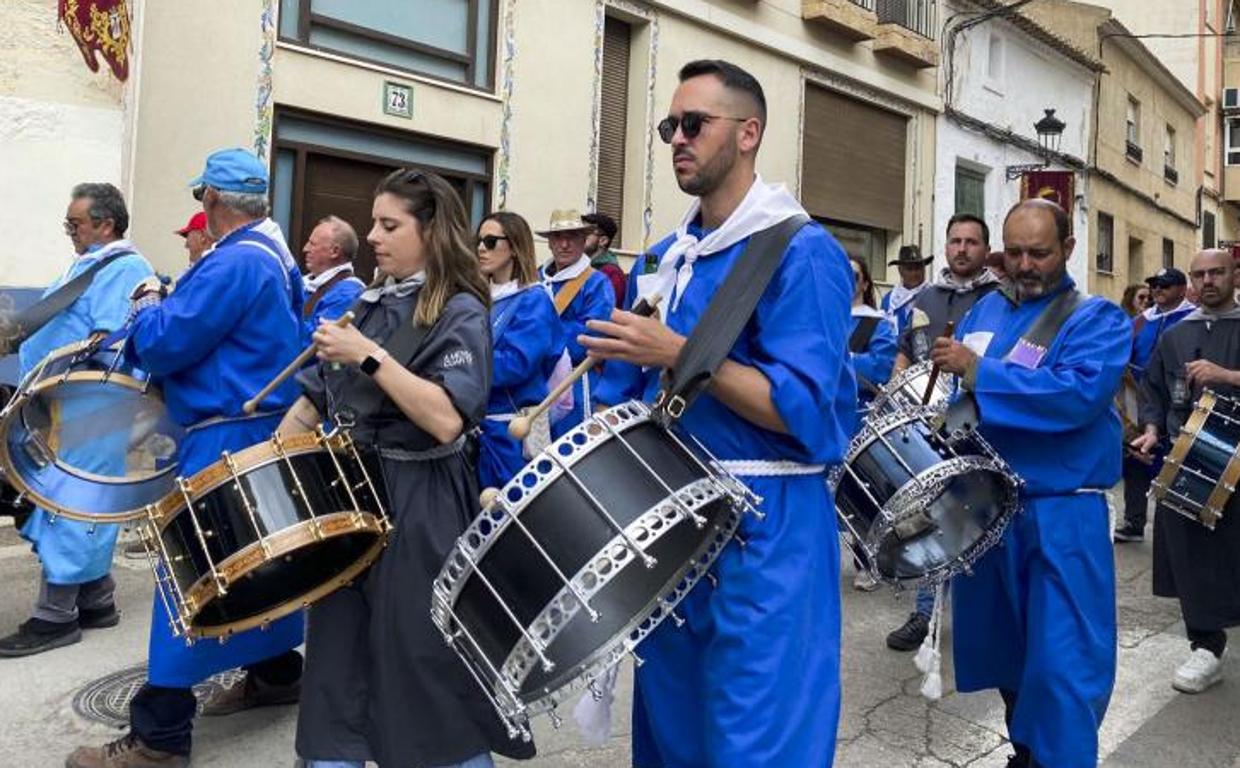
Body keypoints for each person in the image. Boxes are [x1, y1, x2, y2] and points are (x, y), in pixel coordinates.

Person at [584, 58, 855, 768]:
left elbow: (800, 410)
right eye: (671, 124)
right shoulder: (673, 254)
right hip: (675, 526)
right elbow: (638, 394)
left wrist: (677, 351)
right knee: (672, 735)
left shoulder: (803, 252)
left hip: (765, 527)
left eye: (695, 124)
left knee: (758, 737)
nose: (677, 137)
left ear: (748, 134)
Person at [281, 169, 535, 768]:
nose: (373, 236)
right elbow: (312, 399)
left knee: (421, 664)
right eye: (373, 223)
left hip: (419, 500)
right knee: (338, 660)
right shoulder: (370, 303)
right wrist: (275, 460)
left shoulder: (461, 310)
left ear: (431, 231)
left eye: (390, 225)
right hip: (351, 498)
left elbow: (446, 418)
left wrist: (368, 357)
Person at [66, 149, 306, 768]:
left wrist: (147, 304)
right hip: (256, 431)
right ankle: (277, 674)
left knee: (191, 581)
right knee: (256, 567)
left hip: (220, 437)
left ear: (212, 200)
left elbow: (168, 342)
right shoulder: (271, 257)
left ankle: (160, 737)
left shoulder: (235, 263)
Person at [932, 198, 1128, 768]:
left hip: (1061, 514)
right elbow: (961, 402)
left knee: (1063, 665)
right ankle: (1026, 750)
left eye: (1039, 252)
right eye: (1013, 252)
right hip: (990, 510)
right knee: (1006, 651)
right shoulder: (983, 314)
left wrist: (978, 370)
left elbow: (1077, 396)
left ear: (1067, 249)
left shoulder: (1097, 319)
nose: (1024, 264)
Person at [0, 183, 153, 658]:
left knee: (70, 501)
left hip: (92, 401)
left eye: (76, 224)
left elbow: (110, 337)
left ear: (105, 224)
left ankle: (56, 616)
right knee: (81, 500)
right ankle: (97, 599)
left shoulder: (127, 267)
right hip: (68, 399)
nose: (70, 231)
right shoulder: (95, 263)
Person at [885, 212, 1001, 652]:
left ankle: (987, 613)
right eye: (955, 241)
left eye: (972, 242)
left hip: (981, 420)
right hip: (927, 423)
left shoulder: (1001, 297)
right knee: (929, 515)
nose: (962, 249)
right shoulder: (926, 298)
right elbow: (903, 352)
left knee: (983, 514)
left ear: (985, 249)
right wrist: (899, 394)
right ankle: (924, 612)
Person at [1133, 248, 1240, 694]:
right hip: (1192, 455)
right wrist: (1153, 429)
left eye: (1217, 272)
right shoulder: (1176, 334)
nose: (1208, 280)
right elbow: (1154, 387)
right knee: (1191, 553)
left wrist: (1228, 376)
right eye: (1200, 274)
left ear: (1234, 275)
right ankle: (1205, 647)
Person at [475, 210, 566, 489]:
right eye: (478, 241)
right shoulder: (476, 297)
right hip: (475, 431)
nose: (480, 248)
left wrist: (458, 366)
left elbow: (516, 364)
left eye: (490, 242)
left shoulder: (533, 299)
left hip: (509, 437)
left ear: (514, 247)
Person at [1115, 266, 1195, 543]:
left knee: (1175, 462)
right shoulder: (1139, 321)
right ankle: (1134, 521)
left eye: (1166, 285)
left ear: (1182, 289)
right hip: (1137, 396)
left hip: (1178, 398)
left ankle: (1174, 529)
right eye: (1155, 285)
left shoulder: (1193, 318)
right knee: (1135, 459)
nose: (1158, 289)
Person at [538, 208, 615, 437]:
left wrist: (539, 337)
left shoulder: (597, 283)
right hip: (536, 384)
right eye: (558, 237)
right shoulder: (536, 279)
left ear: (583, 241)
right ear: (549, 243)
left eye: (571, 237)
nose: (564, 244)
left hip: (576, 385)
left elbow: (592, 335)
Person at [847, 253, 897, 592]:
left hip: (860, 418)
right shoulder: (823, 318)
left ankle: (867, 561)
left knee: (860, 495)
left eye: (854, 275)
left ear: (865, 283)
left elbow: (878, 370)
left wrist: (839, 360)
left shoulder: (877, 323)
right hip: (824, 417)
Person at [300, 215, 366, 343]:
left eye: (312, 244)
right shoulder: (309, 283)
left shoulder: (348, 294)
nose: (305, 249)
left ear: (335, 251)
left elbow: (314, 343)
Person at [880, 244, 932, 335]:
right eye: (909, 269)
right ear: (900, 270)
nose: (915, 273)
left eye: (918, 268)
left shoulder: (934, 295)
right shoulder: (889, 300)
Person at [583, 211, 627, 307]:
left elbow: (607, 311)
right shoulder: (580, 268)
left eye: (586, 232)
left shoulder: (612, 273)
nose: (580, 237)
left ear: (603, 241)